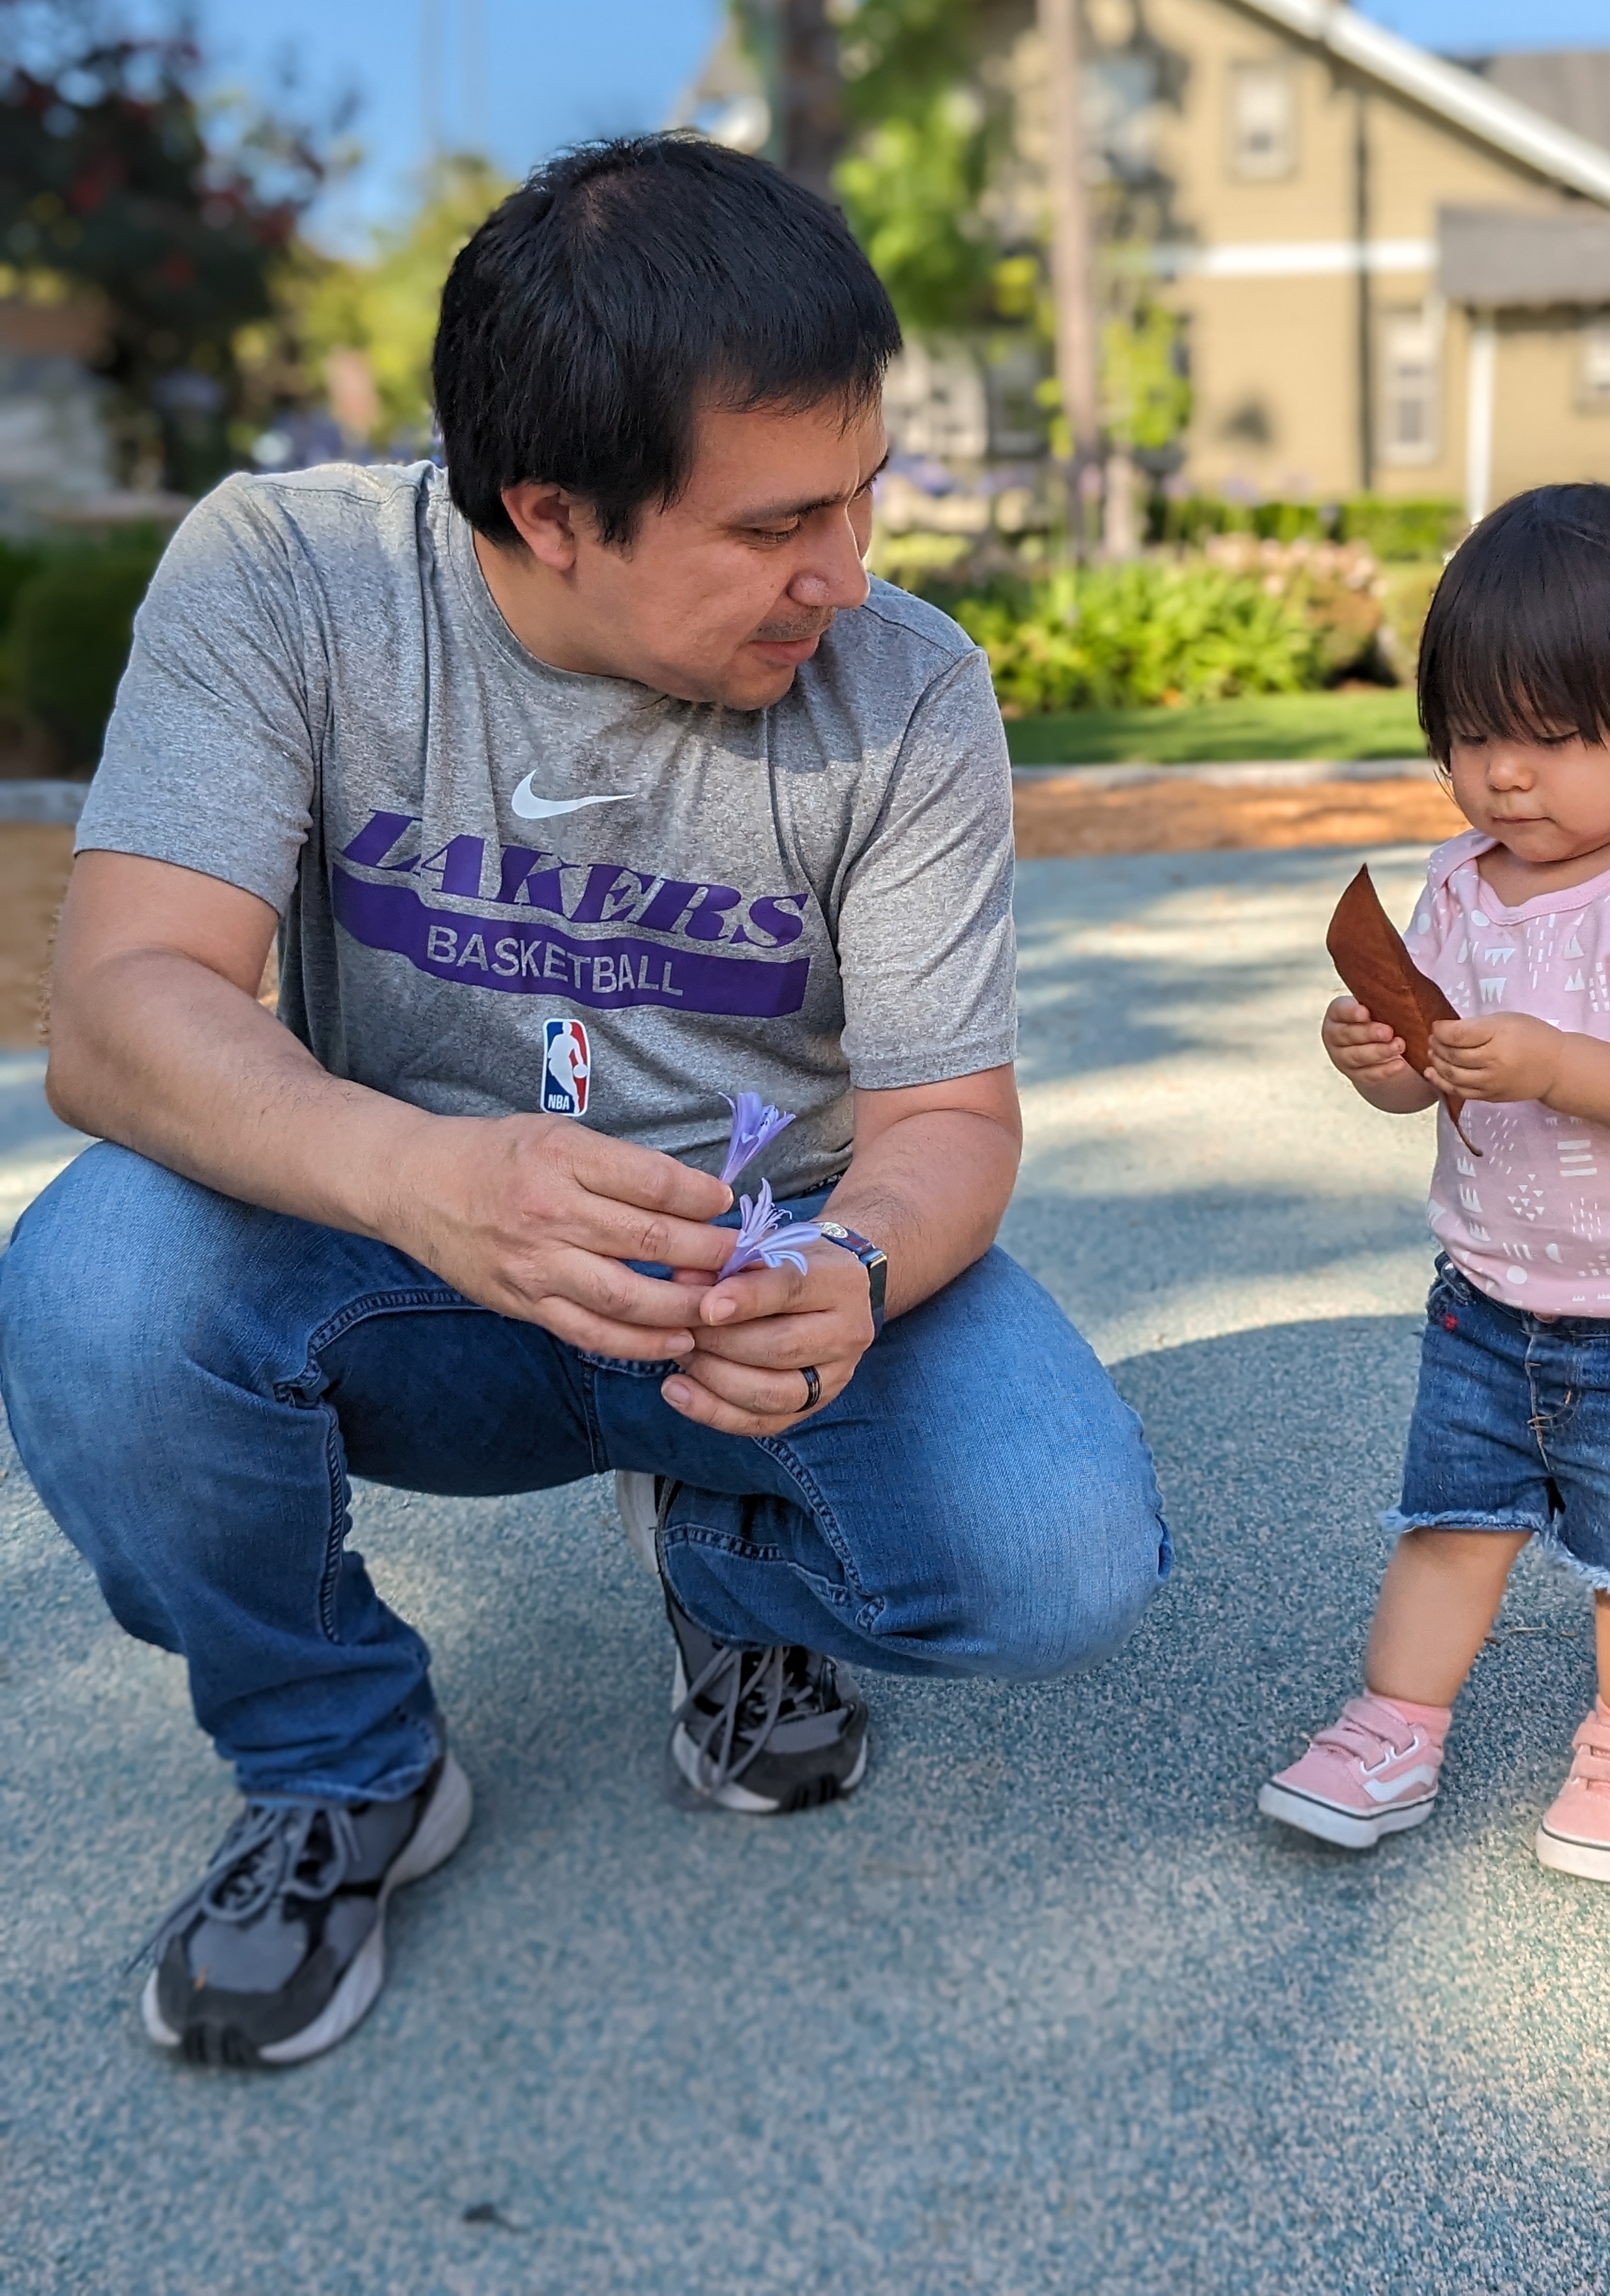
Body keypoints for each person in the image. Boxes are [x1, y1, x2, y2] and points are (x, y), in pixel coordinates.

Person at [0, 135, 1170, 2067]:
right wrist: (422, 1177)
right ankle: (341, 1766)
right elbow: (120, 1016)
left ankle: (720, 1555)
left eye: (868, 493)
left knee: (1055, 1553)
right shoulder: (286, 578)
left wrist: (859, 1276)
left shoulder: (909, 691)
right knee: (94, 1287)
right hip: (393, 1252)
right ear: (550, 510)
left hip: (753, 1280)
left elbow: (951, 1120)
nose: (849, 575)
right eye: (779, 524)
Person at [1259, 484, 1610, 1884]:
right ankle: (1395, 1718)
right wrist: (1379, 1058)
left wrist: (1561, 1061)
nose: (1508, 772)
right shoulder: (1457, 884)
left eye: (1557, 737)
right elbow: (1435, 1081)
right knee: (1451, 1522)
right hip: (1491, 1296)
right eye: (1477, 731)